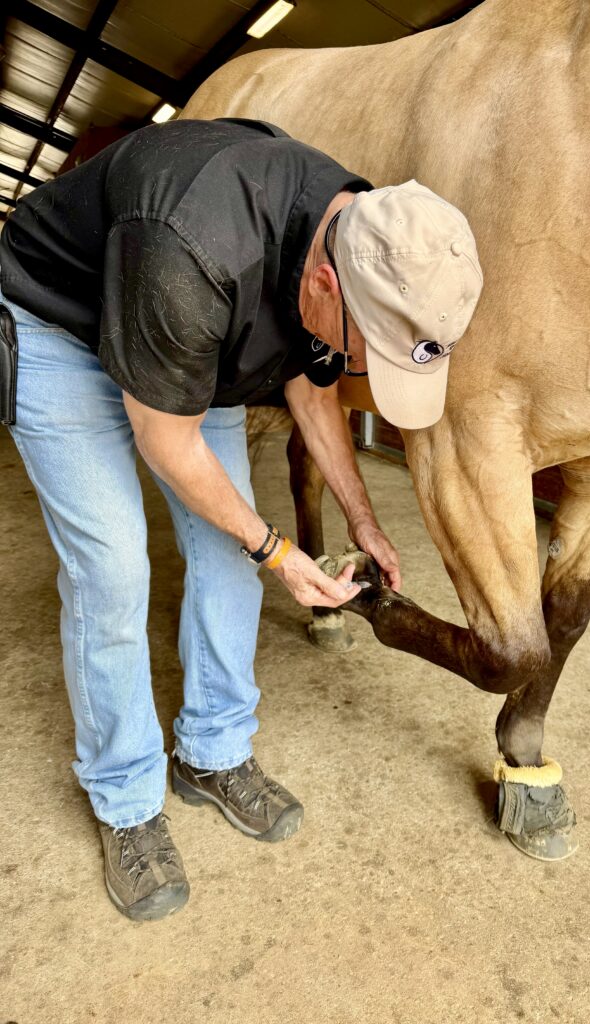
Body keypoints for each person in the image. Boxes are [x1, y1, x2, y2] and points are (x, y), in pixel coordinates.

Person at [0, 117, 483, 921]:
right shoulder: (191, 247)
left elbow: (312, 384)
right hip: (63, 327)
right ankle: (127, 801)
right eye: (372, 349)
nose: (368, 365)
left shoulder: (362, 231)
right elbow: (166, 439)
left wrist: (363, 520)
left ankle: (213, 753)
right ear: (326, 286)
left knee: (229, 557)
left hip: (196, 344)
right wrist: (277, 549)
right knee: (115, 569)